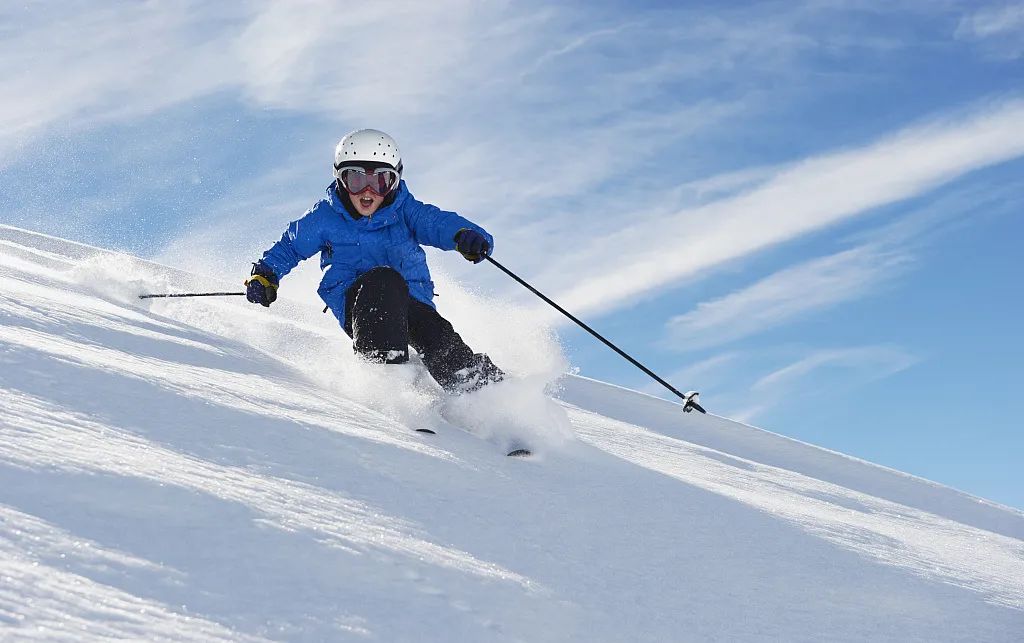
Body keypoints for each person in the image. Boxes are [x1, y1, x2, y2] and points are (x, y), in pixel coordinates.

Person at [244, 129, 503, 394]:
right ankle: (385, 383)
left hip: (412, 302)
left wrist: (466, 237)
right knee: (383, 280)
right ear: (340, 179)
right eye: (356, 180)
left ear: (394, 182)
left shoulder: (405, 210)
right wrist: (265, 274)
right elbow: (290, 246)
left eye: (380, 182)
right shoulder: (325, 218)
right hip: (359, 307)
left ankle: (485, 392)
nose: (367, 192)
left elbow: (438, 223)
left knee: (435, 335)